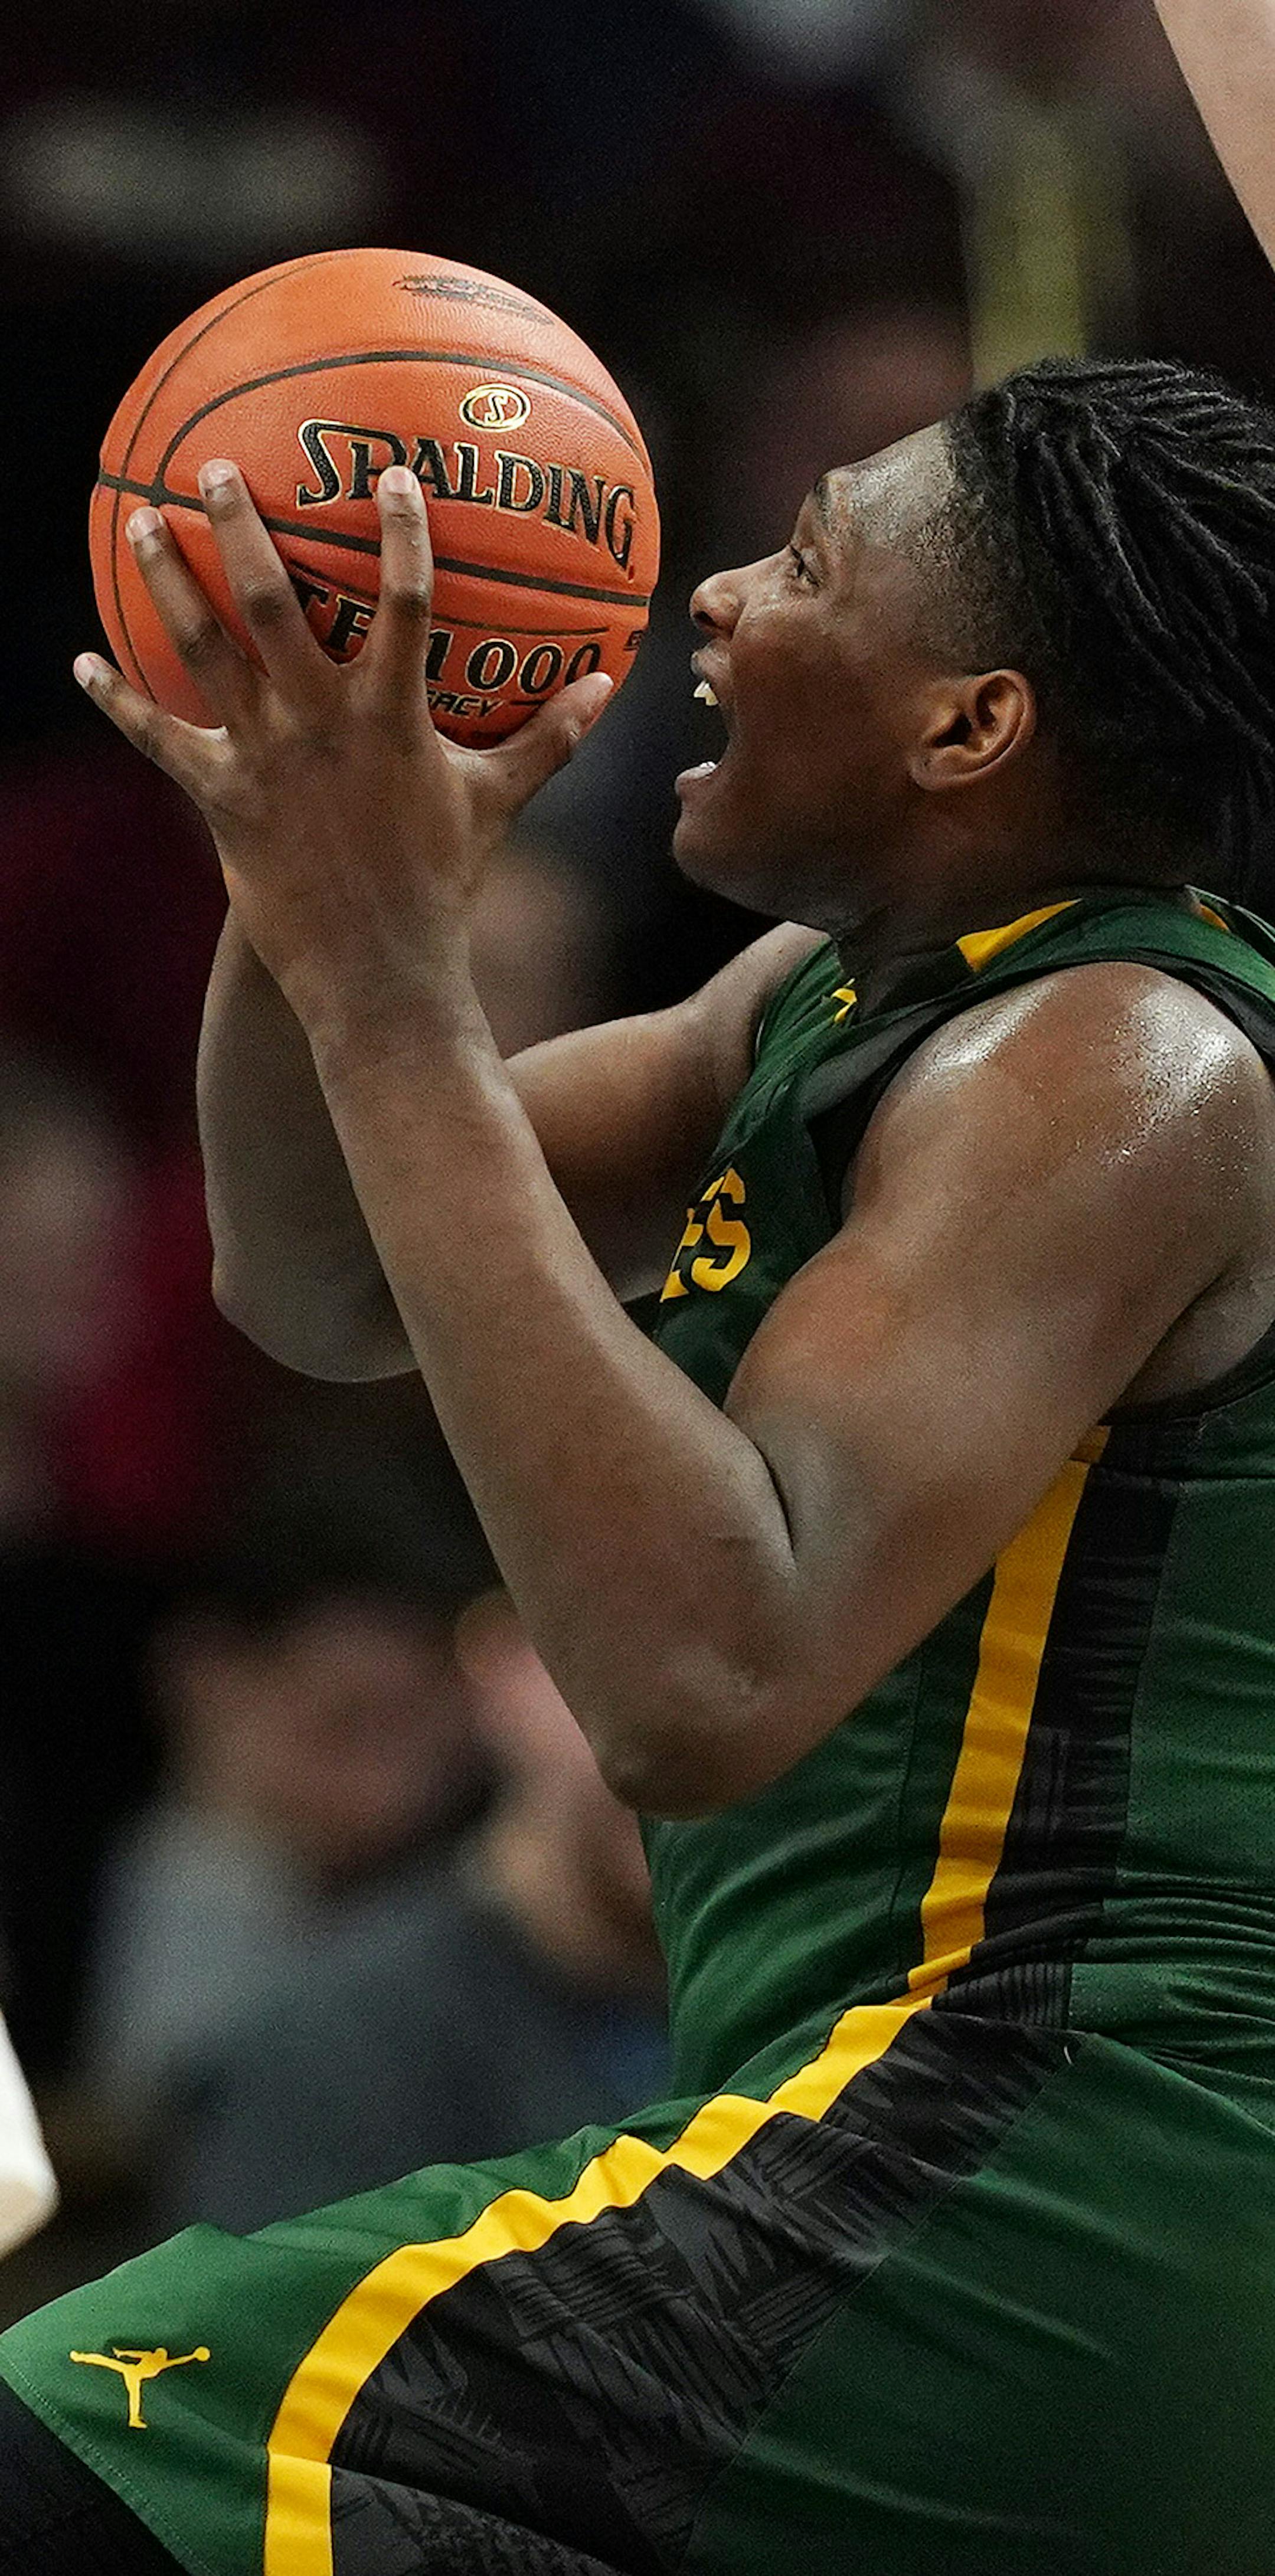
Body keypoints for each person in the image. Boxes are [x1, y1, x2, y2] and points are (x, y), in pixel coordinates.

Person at [8, 44, 1275, 2576]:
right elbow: (326, 1272)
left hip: (1058, 2155)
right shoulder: (824, 999)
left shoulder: (1122, 1058)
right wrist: (307, 866)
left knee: (73, 2435)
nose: (711, 593)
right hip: (929, 2150)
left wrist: (395, 984)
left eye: (803, 561)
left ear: (970, 722)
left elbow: (701, 1677)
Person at [165, 1589, 666, 2233]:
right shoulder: (335, 2053)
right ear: (515, 1673)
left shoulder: (771, 1997)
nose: (700, 1748)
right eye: (648, 1674)